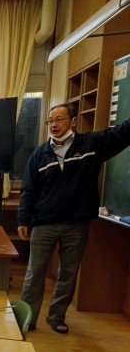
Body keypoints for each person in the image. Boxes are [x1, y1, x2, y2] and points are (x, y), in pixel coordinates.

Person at [18, 104, 130, 334]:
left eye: (60, 119)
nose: (54, 125)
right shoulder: (39, 154)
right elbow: (28, 190)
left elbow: (120, 134)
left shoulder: (91, 145)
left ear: (74, 121)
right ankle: (28, 317)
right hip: (44, 223)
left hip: (76, 224)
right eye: (51, 121)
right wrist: (23, 220)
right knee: (34, 273)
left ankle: (56, 316)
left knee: (68, 274)